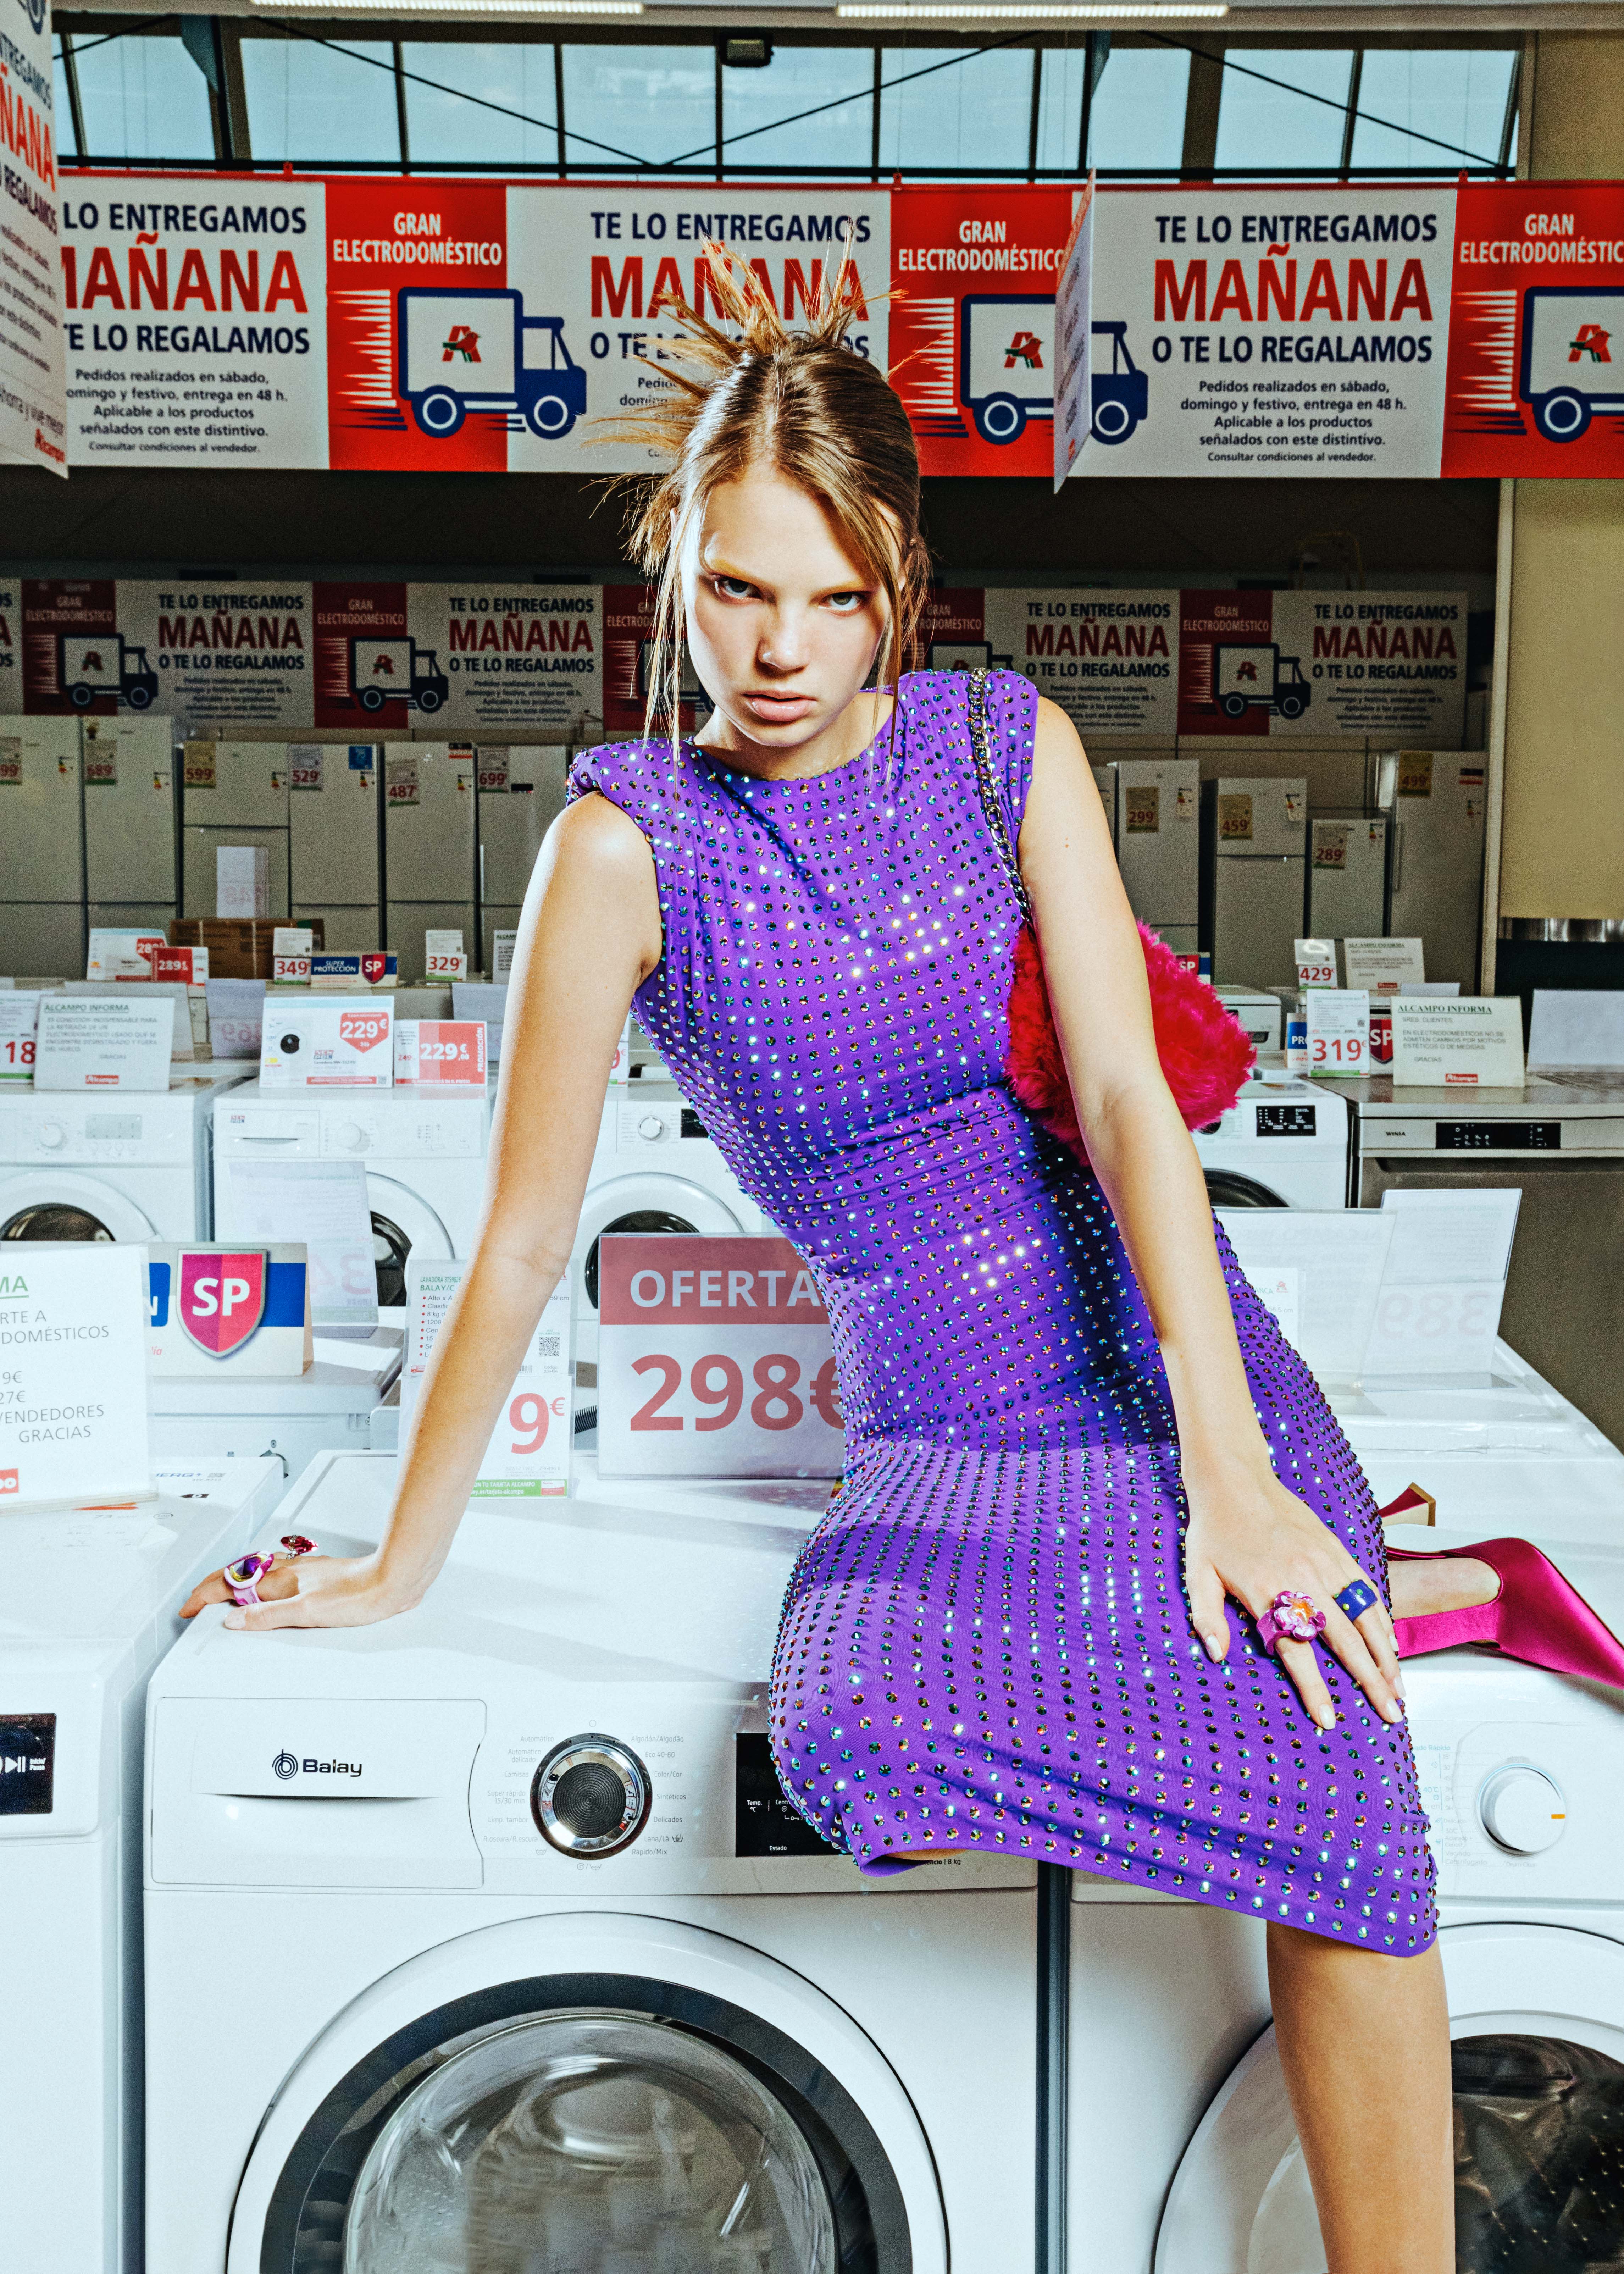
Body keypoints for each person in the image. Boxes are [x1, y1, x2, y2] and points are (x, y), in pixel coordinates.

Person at [186, 248, 1483, 2270]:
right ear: (670, 562)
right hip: (942, 1423)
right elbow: (524, 1235)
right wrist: (396, 1566)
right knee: (862, 1722)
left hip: (1168, 1368)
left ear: (899, 580)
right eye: (735, 588)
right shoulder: (624, 846)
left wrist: (1228, 1475)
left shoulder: (996, 747)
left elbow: (1135, 1116)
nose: (782, 649)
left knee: (1343, 1794)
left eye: (835, 596)